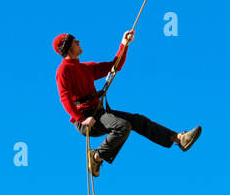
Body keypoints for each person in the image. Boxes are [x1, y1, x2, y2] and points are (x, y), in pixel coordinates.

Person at [53, 30, 201, 175]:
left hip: (97, 113)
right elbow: (64, 97)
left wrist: (124, 44)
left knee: (137, 120)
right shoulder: (63, 71)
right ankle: (96, 157)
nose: (79, 42)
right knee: (122, 126)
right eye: (74, 41)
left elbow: (114, 66)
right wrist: (82, 119)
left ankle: (179, 138)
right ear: (68, 47)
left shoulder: (86, 68)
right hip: (86, 118)